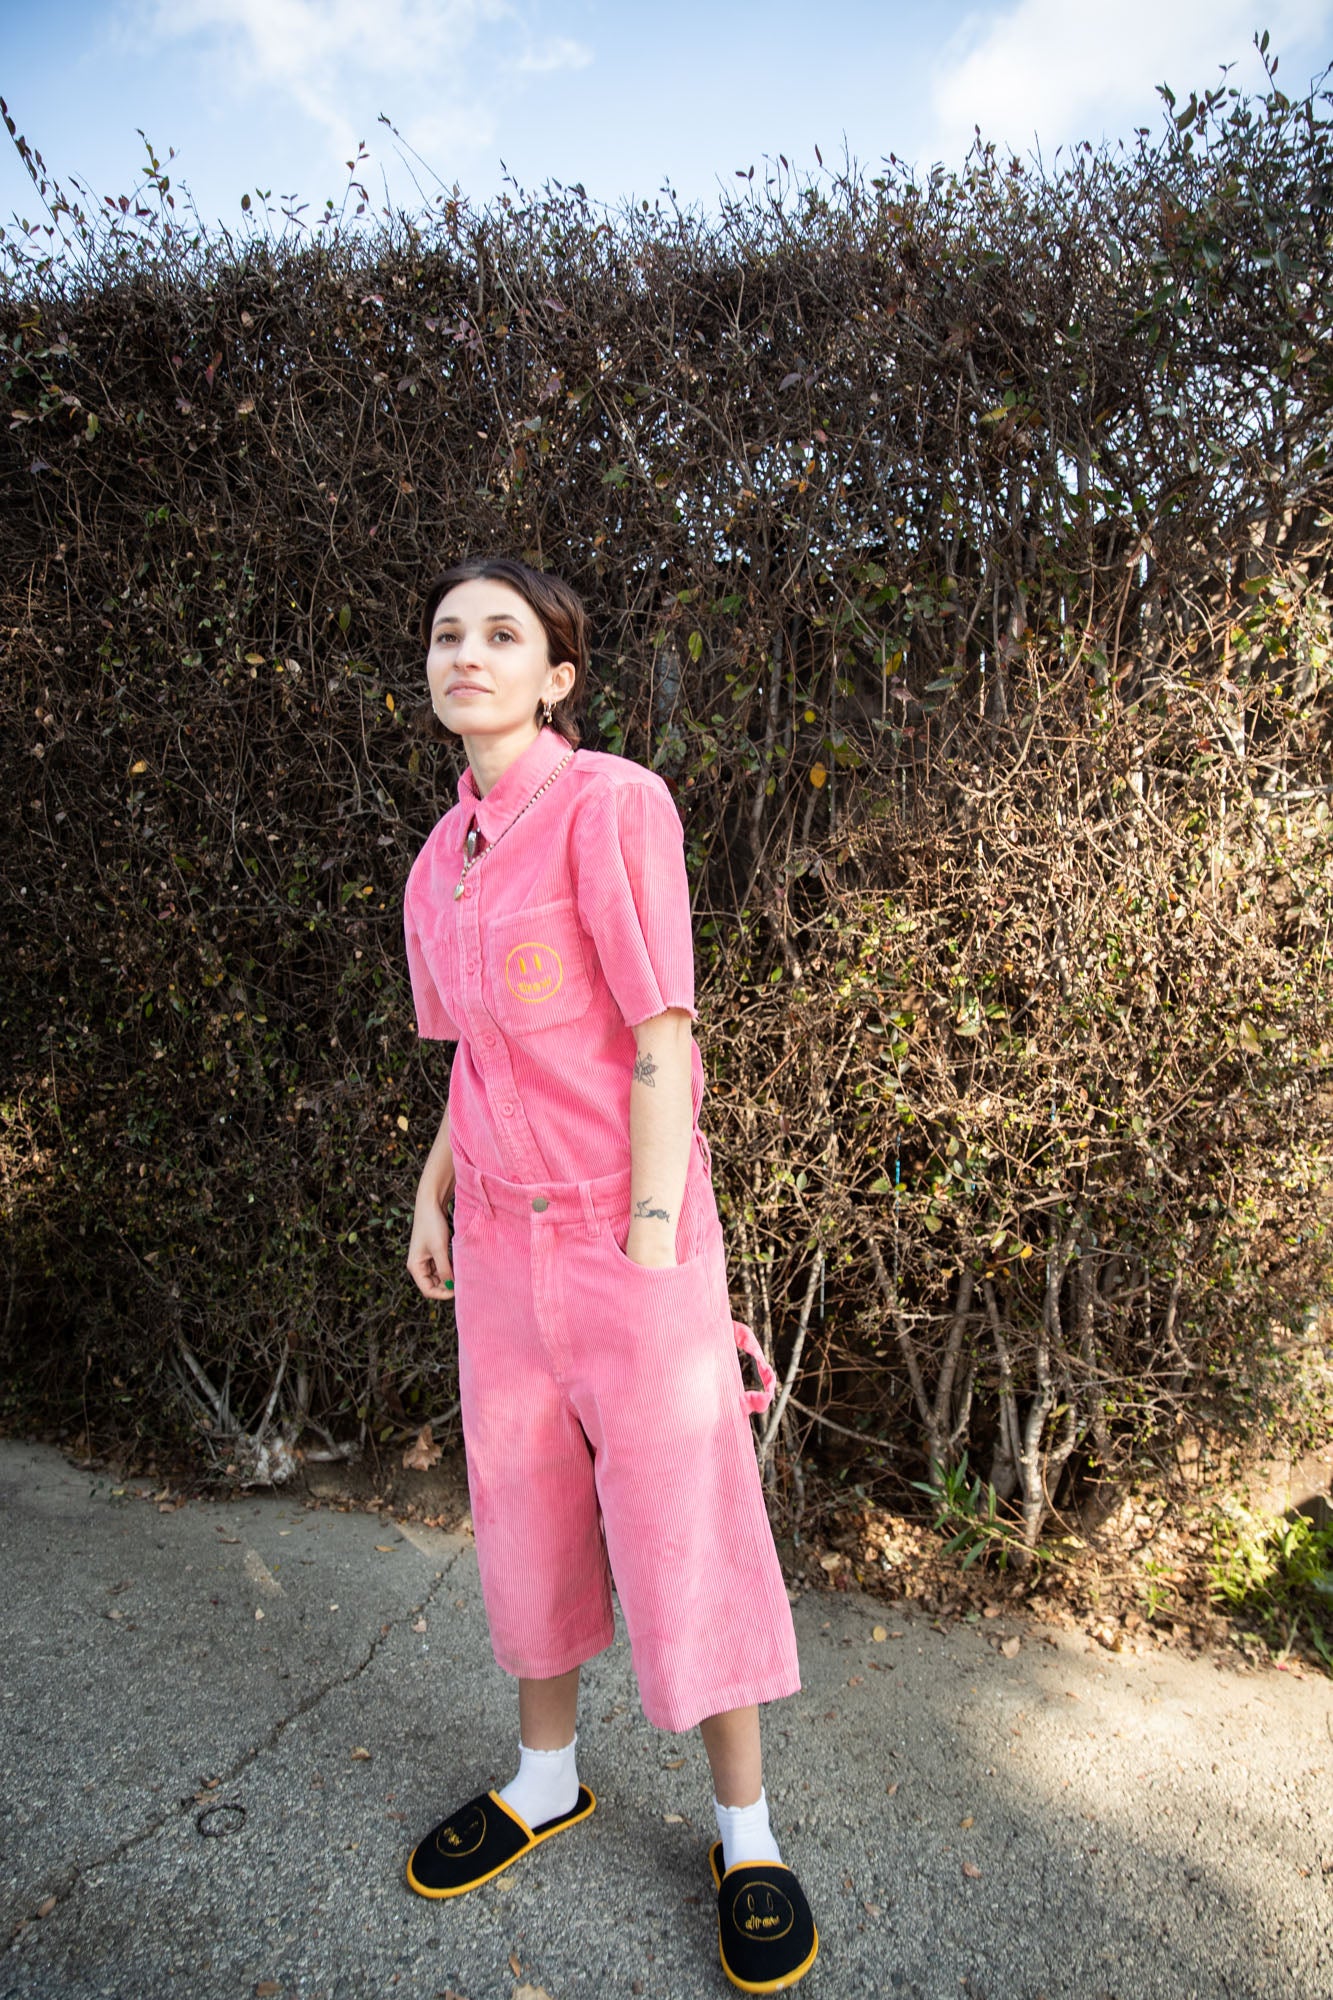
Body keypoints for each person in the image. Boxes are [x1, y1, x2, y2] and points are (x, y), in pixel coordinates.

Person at [401, 554, 818, 1992]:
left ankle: (746, 1837)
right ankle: (544, 1778)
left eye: (501, 635)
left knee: (684, 1518)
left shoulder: (611, 804)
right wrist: (434, 1191)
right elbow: (476, 1056)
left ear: (556, 677)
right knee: (521, 1505)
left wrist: (648, 1230)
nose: (468, 654)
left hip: (628, 1234)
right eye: (448, 635)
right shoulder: (441, 857)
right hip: (499, 1241)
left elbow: (660, 1033)